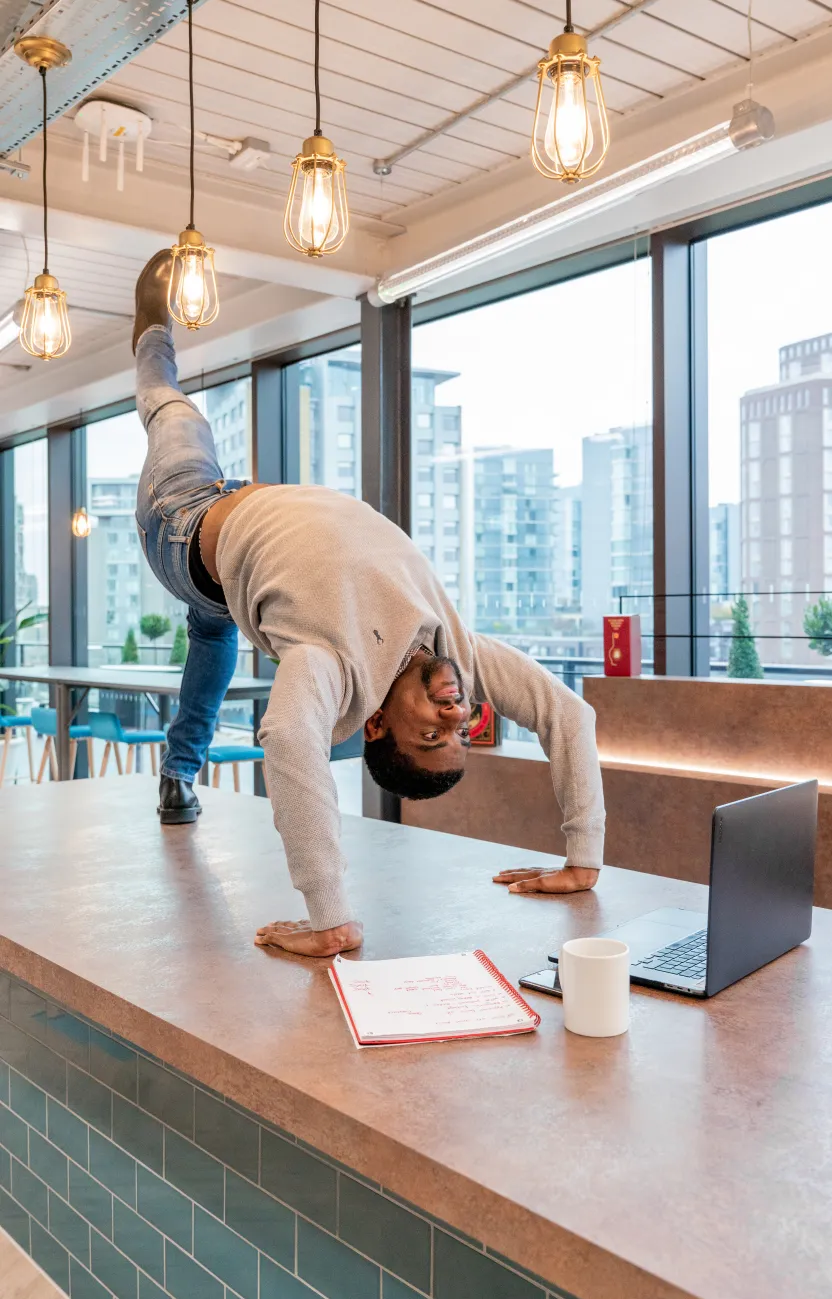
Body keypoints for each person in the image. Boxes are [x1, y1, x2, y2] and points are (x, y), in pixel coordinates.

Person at [133, 251, 606, 958]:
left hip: (183, 526)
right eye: (459, 733)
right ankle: (179, 769)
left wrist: (329, 915)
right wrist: (582, 858)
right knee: (214, 634)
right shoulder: (459, 660)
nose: (454, 717)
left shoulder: (331, 667)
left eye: (430, 737)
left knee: (172, 409)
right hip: (254, 509)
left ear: (377, 722)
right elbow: (567, 713)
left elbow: (291, 739)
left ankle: (148, 335)